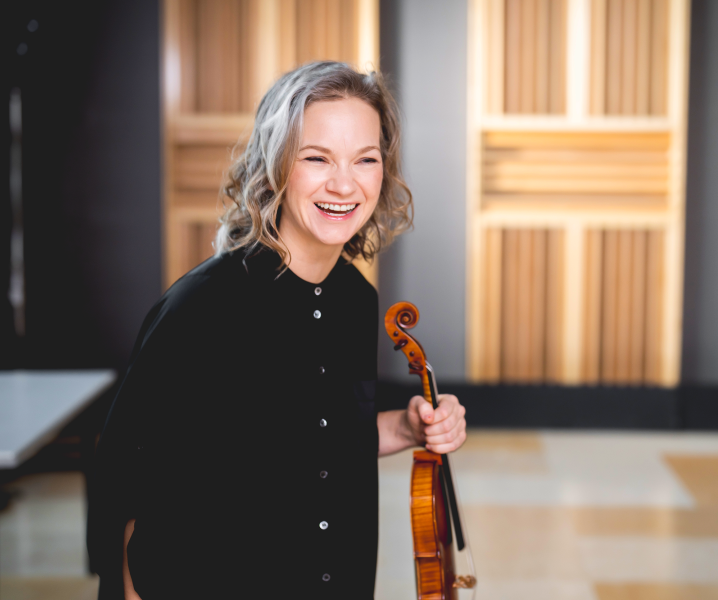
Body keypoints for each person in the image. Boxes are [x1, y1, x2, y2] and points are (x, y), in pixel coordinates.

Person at [87, 61, 468, 600]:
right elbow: (123, 481)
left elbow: (315, 437)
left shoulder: (356, 299)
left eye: (365, 159)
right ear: (277, 165)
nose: (344, 183)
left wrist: (408, 428)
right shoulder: (200, 306)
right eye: (317, 158)